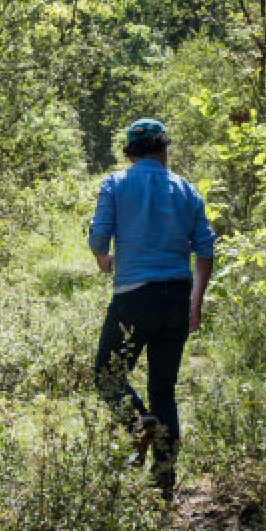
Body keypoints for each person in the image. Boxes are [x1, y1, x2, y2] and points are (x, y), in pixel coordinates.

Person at [88, 118, 216, 502]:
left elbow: (99, 235)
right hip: (177, 296)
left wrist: (103, 257)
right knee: (163, 390)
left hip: (134, 297)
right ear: (164, 149)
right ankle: (164, 485)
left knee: (108, 378)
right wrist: (195, 301)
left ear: (130, 151)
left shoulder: (115, 184)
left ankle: (137, 421)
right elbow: (205, 249)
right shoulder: (187, 190)